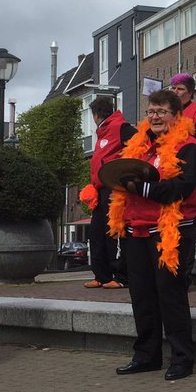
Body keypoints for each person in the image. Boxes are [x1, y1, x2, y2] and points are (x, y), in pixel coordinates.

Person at [111, 90, 196, 380]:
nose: (154, 116)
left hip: (170, 233)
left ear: (176, 115)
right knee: (142, 297)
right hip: (136, 230)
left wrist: (140, 188)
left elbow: (182, 188)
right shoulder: (138, 147)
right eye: (151, 111)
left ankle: (181, 358)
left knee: (171, 296)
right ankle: (147, 356)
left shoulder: (189, 147)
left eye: (161, 111)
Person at [81, 96, 136, 288]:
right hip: (100, 188)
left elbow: (138, 142)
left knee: (114, 231)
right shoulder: (103, 132)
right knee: (97, 232)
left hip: (114, 187)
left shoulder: (120, 127)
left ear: (96, 114)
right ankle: (101, 275)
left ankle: (121, 276)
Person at [169, 73, 196, 191]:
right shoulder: (166, 112)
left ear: (190, 93)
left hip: (190, 170)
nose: (175, 92)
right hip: (167, 168)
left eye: (180, 89)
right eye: (173, 88)